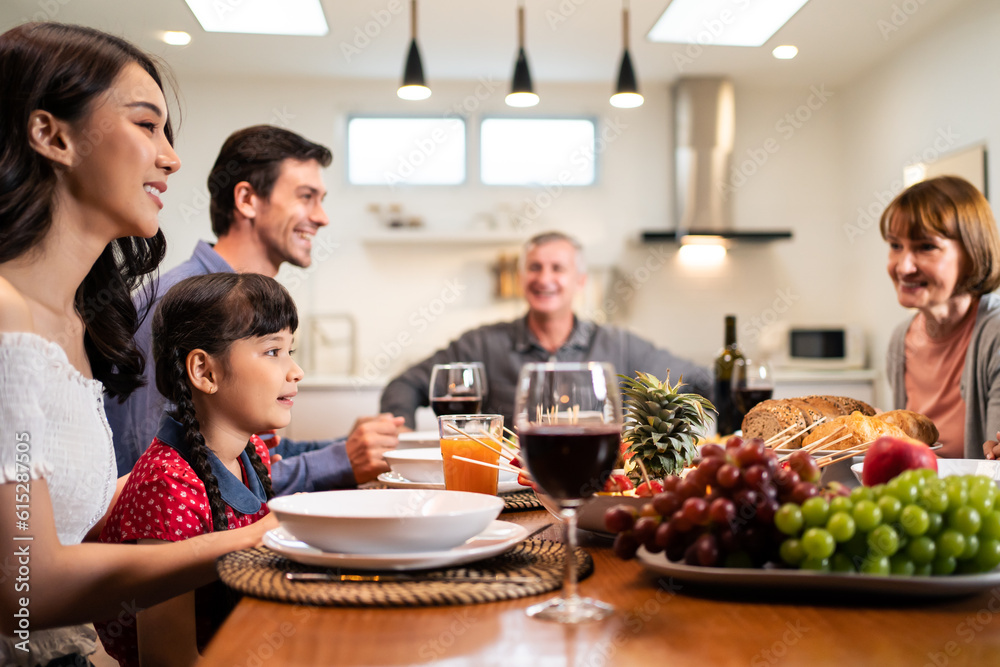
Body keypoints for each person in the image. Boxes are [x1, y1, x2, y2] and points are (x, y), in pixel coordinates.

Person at [0, 23, 274, 667]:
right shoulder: (8, 330)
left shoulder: (76, 322)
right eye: (147, 126)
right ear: (52, 135)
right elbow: (24, 592)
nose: (173, 158)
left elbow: (62, 506)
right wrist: (267, 539)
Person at [104, 125, 401, 493]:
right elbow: (157, 468)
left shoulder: (248, 303)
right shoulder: (176, 302)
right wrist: (339, 462)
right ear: (246, 199)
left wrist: (349, 449)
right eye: (306, 196)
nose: (322, 217)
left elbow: (245, 454)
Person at [98, 273, 298, 667]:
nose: (296, 371)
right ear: (205, 372)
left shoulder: (249, 450)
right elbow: (168, 659)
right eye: (273, 352)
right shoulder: (168, 485)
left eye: (291, 350)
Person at [380, 231, 713, 429]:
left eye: (558, 268)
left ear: (580, 281)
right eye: (535, 268)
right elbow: (405, 385)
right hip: (508, 495)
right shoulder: (482, 344)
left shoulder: (620, 346)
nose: (544, 278)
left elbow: (701, 382)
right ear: (523, 278)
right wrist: (399, 428)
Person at [882, 175, 1000, 459]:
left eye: (925, 247)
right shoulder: (901, 339)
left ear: (972, 253)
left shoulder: (995, 336)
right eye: (895, 245)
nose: (904, 267)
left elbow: (994, 468)